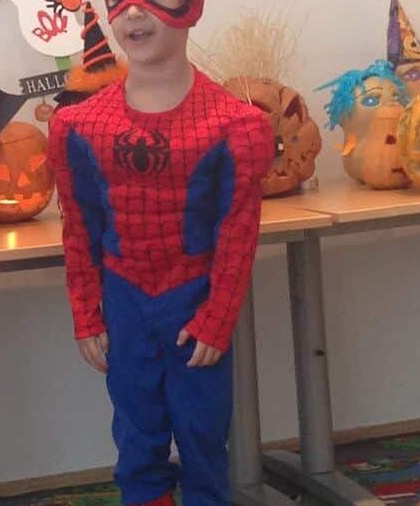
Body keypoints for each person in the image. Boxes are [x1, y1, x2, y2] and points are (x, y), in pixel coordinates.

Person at [48, 1, 273, 504]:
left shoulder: (235, 126)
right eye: (120, 0)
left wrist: (217, 316)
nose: (134, 12)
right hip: (124, 298)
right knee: (135, 431)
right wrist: (85, 312)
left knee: (203, 432)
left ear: (191, 9)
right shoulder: (80, 126)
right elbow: (79, 224)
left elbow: (238, 232)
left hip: (193, 299)